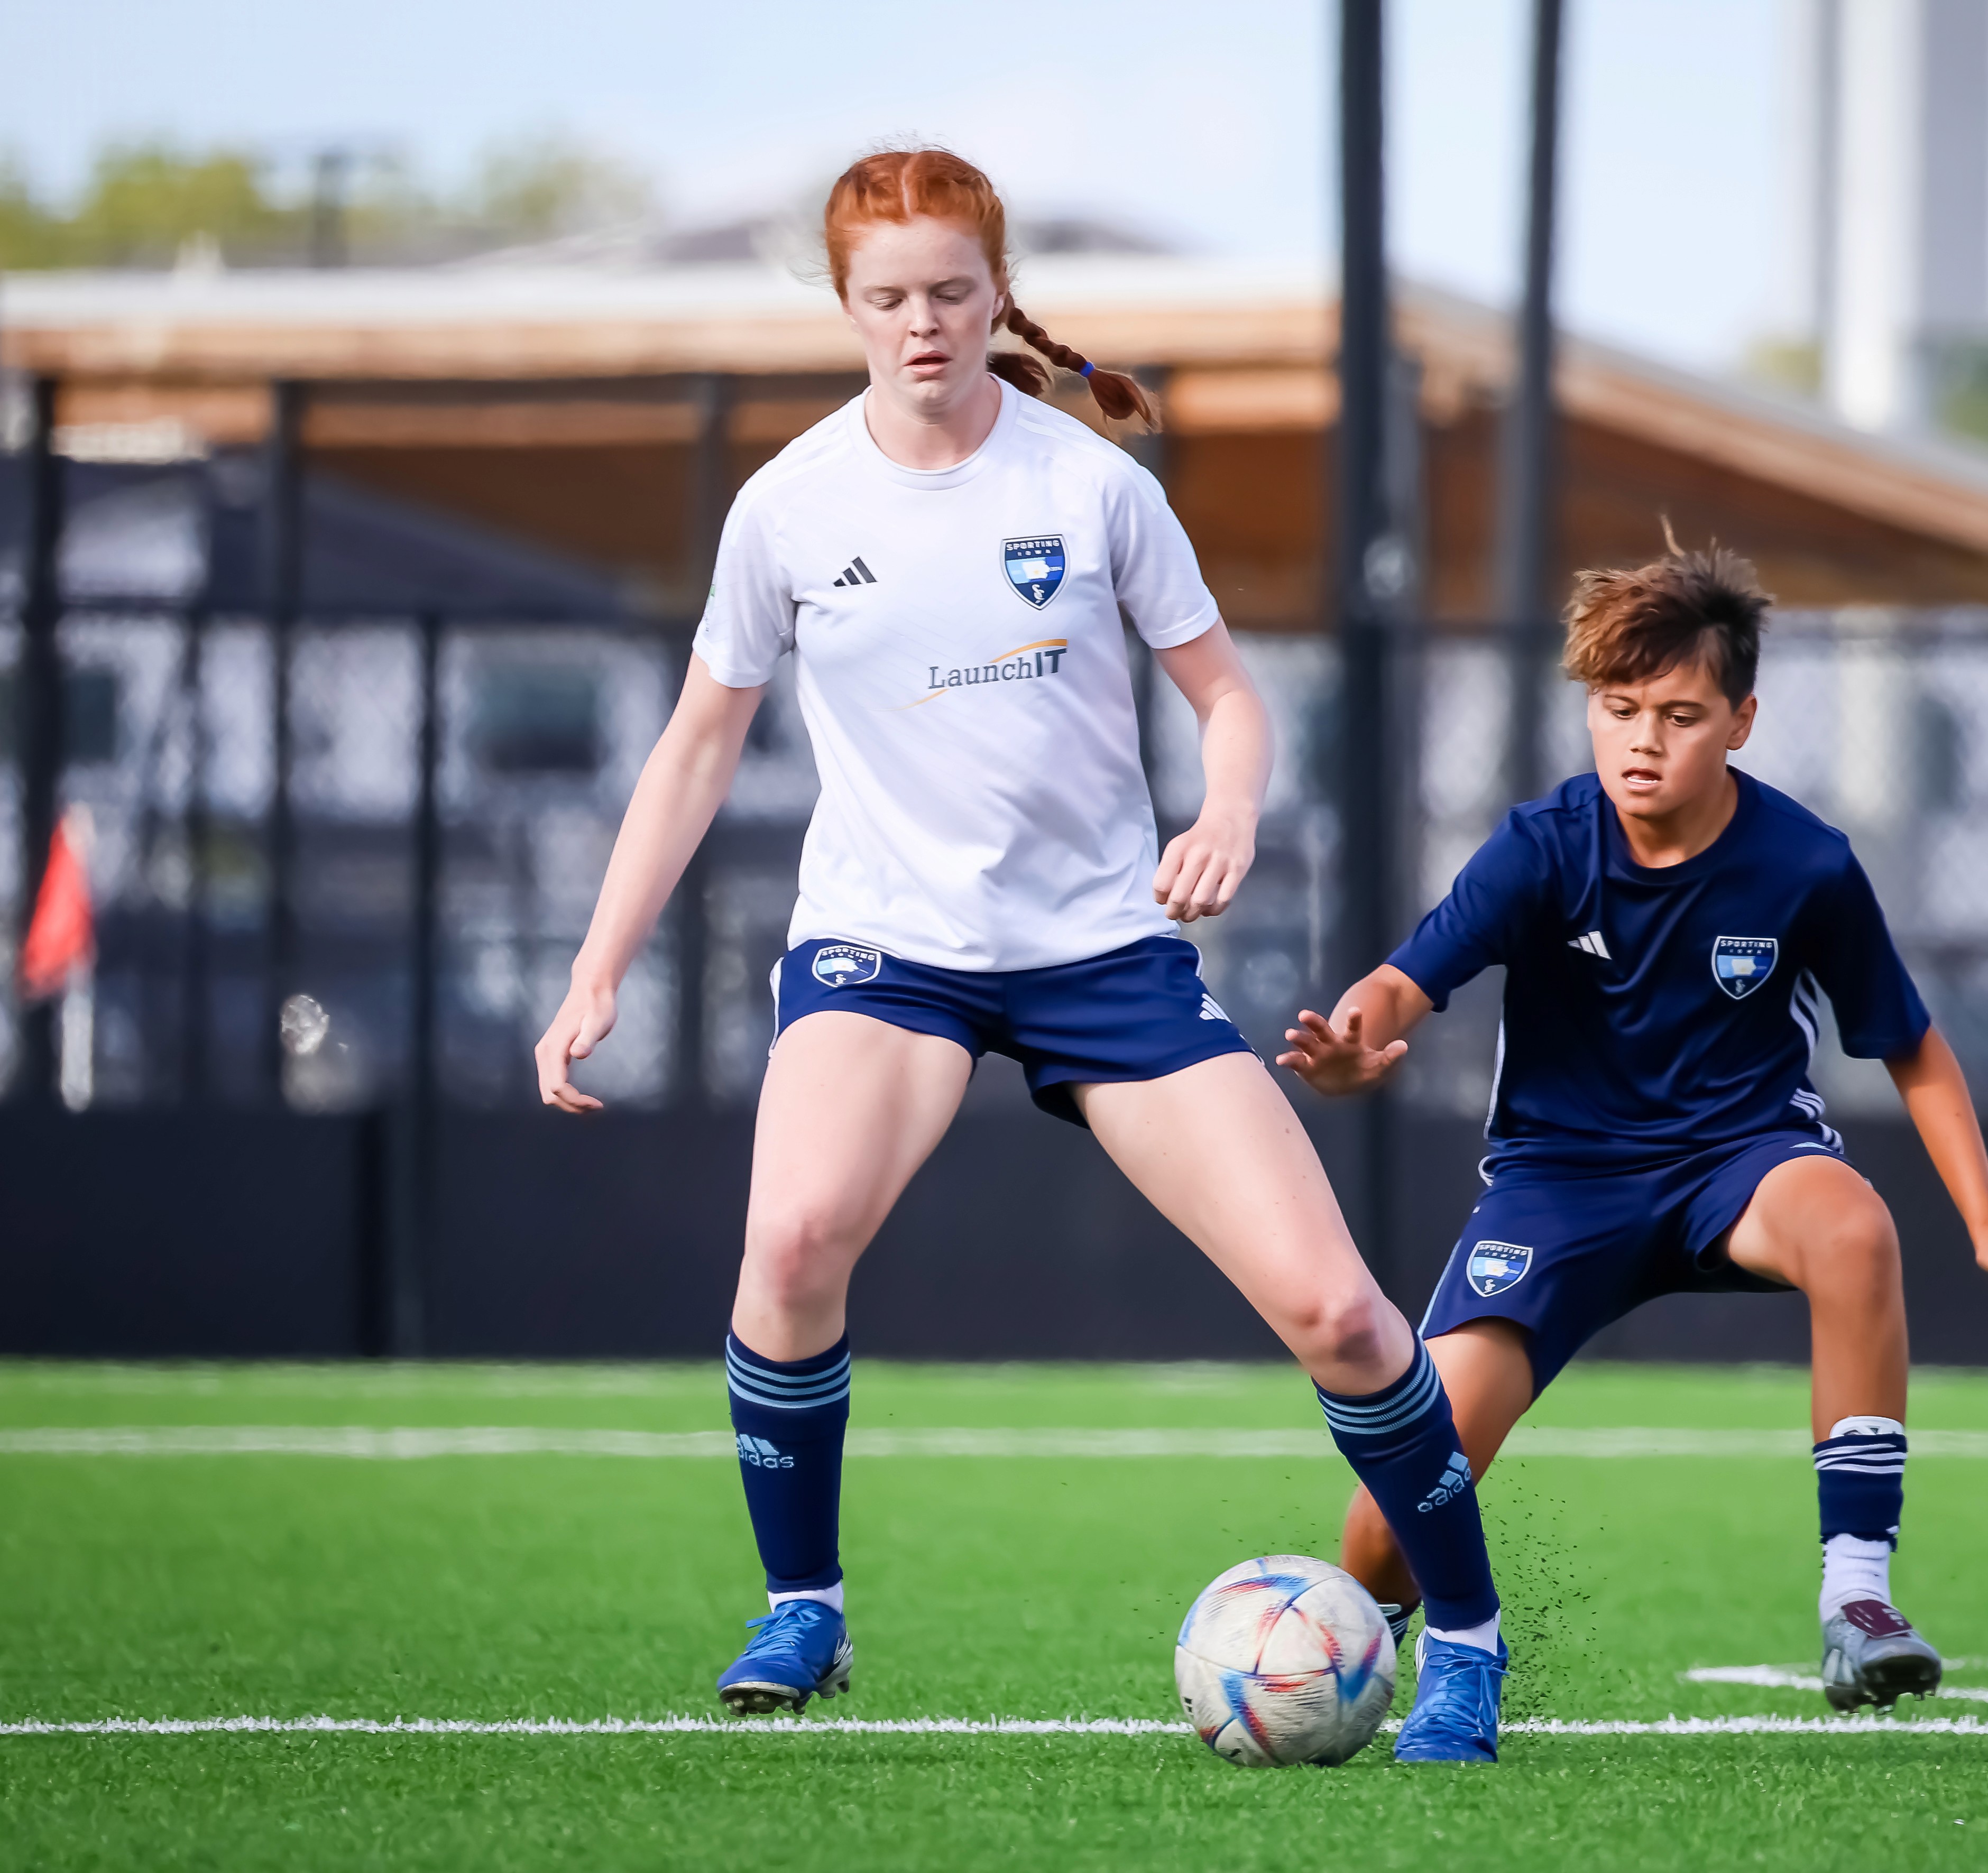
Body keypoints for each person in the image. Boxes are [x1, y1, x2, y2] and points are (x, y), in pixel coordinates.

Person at [534, 146, 1506, 1760]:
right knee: (789, 1246)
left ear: (999, 294)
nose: (921, 327)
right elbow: (698, 748)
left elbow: (1229, 696)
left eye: (950, 295)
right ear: (843, 306)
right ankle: (803, 1606)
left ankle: (1465, 1637)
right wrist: (594, 967)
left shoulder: (1090, 488)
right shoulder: (786, 506)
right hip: (884, 947)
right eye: (886, 300)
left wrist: (1231, 810)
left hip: (1100, 956)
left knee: (1336, 1310)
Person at [1278, 538, 1988, 1710]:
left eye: (1677, 713)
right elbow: (1404, 979)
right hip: (1557, 1189)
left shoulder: (1804, 864)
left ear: (1741, 720)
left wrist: (1985, 1221)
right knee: (1379, 1531)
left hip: (1739, 1165)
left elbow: (1909, 1043)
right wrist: (1357, 1039)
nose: (1640, 741)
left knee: (1854, 1229)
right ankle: (1373, 1656)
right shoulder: (1540, 846)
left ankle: (1856, 1594)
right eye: (1616, 710)